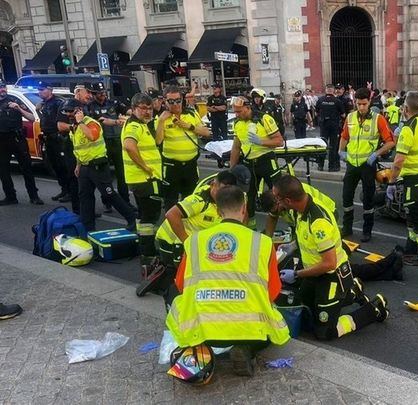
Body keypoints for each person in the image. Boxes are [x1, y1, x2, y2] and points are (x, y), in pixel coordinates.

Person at [165, 185, 290, 376]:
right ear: (244, 208)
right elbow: (272, 291)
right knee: (271, 313)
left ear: (216, 209)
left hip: (204, 330)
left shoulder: (195, 241)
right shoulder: (262, 242)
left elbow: (182, 286)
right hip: (248, 331)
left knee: (176, 300)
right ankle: (245, 349)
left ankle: (198, 348)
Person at [272, 175, 388, 341]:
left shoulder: (318, 222)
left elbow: (329, 263)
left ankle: (373, 309)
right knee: (305, 315)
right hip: (313, 274)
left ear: (289, 200)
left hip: (331, 275)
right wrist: (291, 246)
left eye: (278, 198)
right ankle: (351, 292)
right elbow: (307, 240)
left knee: (324, 332)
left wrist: (297, 275)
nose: (277, 202)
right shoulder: (299, 210)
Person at [148, 170, 239, 296]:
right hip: (171, 241)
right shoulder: (199, 200)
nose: (222, 194)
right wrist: (187, 242)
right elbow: (171, 214)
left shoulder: (227, 202)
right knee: (184, 279)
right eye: (220, 189)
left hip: (192, 242)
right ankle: (165, 279)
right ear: (213, 185)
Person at [62, 94, 136, 232]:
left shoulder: (90, 123)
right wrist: (78, 165)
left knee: (109, 194)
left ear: (78, 110)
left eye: (70, 111)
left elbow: (91, 136)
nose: (68, 114)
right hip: (84, 167)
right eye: (66, 111)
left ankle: (131, 218)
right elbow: (78, 148)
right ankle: (87, 227)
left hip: (98, 165)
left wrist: (81, 122)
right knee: (85, 197)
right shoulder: (75, 127)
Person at [385, 92, 418, 266]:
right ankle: (411, 247)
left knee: (417, 217)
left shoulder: (408, 129)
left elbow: (398, 161)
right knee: (411, 217)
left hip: (415, 181)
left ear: (405, 108)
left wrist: (391, 182)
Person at [338, 87, 396, 242]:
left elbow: (390, 142)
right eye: (358, 104)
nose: (361, 107)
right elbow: (344, 137)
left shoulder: (378, 119)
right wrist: (340, 151)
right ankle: (347, 228)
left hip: (367, 165)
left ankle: (367, 230)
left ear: (369, 101)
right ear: (355, 102)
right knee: (346, 197)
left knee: (368, 199)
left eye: (364, 104)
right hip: (351, 164)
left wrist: (376, 154)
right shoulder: (350, 118)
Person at [229, 95, 284, 230]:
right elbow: (236, 147)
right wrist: (232, 169)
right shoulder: (237, 123)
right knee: (248, 198)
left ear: (248, 108)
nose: (237, 115)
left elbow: (279, 141)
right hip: (249, 163)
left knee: (279, 194)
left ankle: (292, 225)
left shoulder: (264, 118)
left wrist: (261, 141)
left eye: (239, 111)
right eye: (235, 112)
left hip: (266, 160)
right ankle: (250, 229)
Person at [122, 93, 163, 267]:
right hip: (145, 180)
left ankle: (144, 248)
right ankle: (148, 254)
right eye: (142, 108)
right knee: (150, 217)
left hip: (140, 180)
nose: (147, 111)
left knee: (143, 216)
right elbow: (129, 146)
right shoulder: (134, 126)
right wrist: (146, 167)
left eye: (149, 108)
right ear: (133, 108)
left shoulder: (140, 124)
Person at [155, 85, 211, 212]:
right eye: (171, 101)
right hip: (171, 166)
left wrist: (188, 126)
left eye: (178, 100)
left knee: (190, 198)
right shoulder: (161, 117)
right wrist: (161, 122)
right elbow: (158, 141)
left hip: (190, 165)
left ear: (182, 100)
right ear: (165, 101)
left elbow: (206, 132)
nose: (175, 104)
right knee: (171, 200)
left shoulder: (191, 114)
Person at [87, 85, 131, 210]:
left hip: (117, 141)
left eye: (104, 92)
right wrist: (117, 122)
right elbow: (100, 120)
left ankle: (126, 201)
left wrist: (132, 113)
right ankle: (107, 202)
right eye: (99, 93)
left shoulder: (113, 103)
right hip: (103, 143)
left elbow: (126, 110)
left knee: (122, 174)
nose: (103, 95)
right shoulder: (90, 107)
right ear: (94, 94)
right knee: (105, 176)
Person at [0, 80, 43, 206]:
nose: (3, 90)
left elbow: (31, 118)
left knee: (27, 168)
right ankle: (10, 196)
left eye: (3, 87)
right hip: (2, 139)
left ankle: (34, 196)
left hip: (17, 138)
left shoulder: (15, 101)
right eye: (0, 88)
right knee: (3, 170)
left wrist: (19, 109)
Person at [37, 81, 73, 204]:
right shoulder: (44, 104)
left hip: (57, 138)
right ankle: (64, 189)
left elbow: (61, 120)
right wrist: (38, 110)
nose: (39, 92)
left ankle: (70, 191)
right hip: (48, 138)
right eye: (39, 90)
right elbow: (44, 120)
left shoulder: (58, 103)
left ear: (50, 90)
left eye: (42, 90)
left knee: (63, 165)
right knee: (55, 166)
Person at [315, 84, 345, 171]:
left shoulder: (320, 100)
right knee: (333, 146)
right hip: (334, 125)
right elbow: (343, 114)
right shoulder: (337, 101)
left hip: (323, 125)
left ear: (326, 90)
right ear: (333, 90)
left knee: (322, 145)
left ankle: (320, 165)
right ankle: (331, 166)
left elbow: (316, 112)